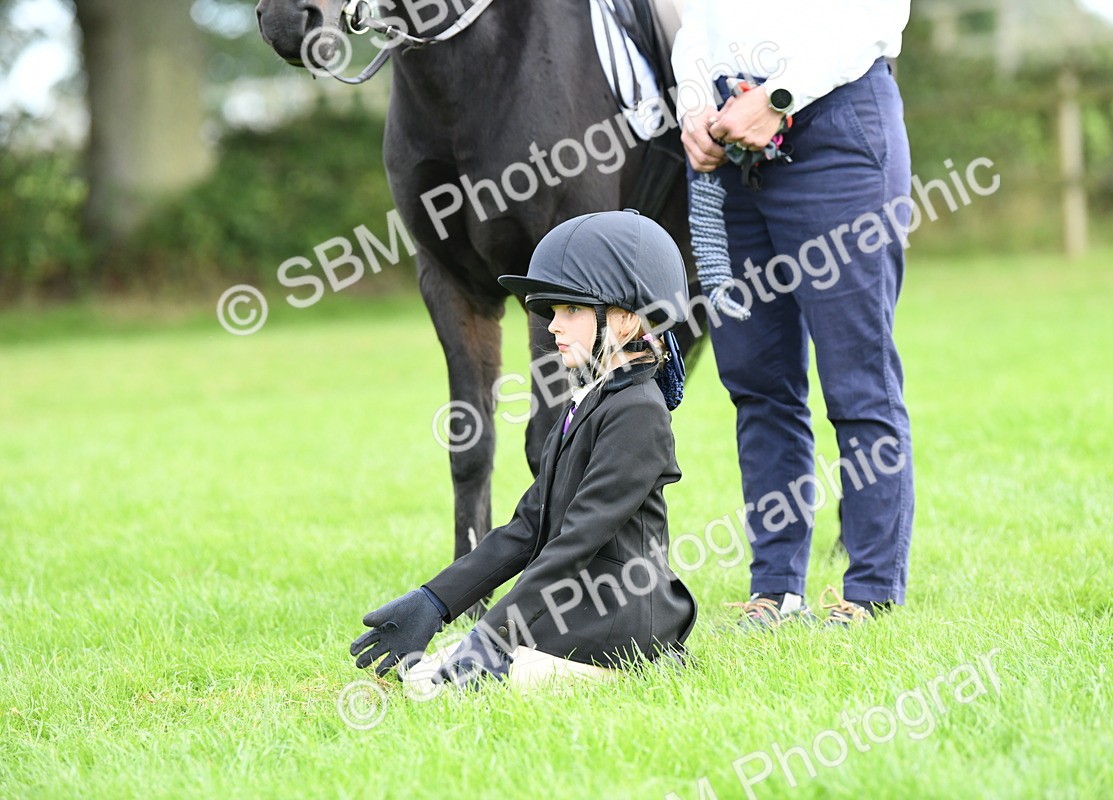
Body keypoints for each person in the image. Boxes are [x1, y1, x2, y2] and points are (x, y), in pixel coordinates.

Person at [350, 209, 697, 691]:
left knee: (436, 688)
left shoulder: (640, 411)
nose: (553, 326)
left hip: (620, 621)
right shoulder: (591, 399)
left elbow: (576, 540)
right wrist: (435, 600)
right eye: (552, 312)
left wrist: (493, 637)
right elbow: (527, 527)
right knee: (426, 677)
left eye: (571, 310)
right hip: (574, 612)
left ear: (627, 318)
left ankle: (633, 673)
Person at [671, 2, 915, 627]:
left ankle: (871, 594)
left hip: (836, 127)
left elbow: (877, 16)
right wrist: (694, 105)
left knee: (856, 375)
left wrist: (780, 94)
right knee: (757, 380)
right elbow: (697, 25)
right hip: (731, 143)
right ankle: (776, 588)